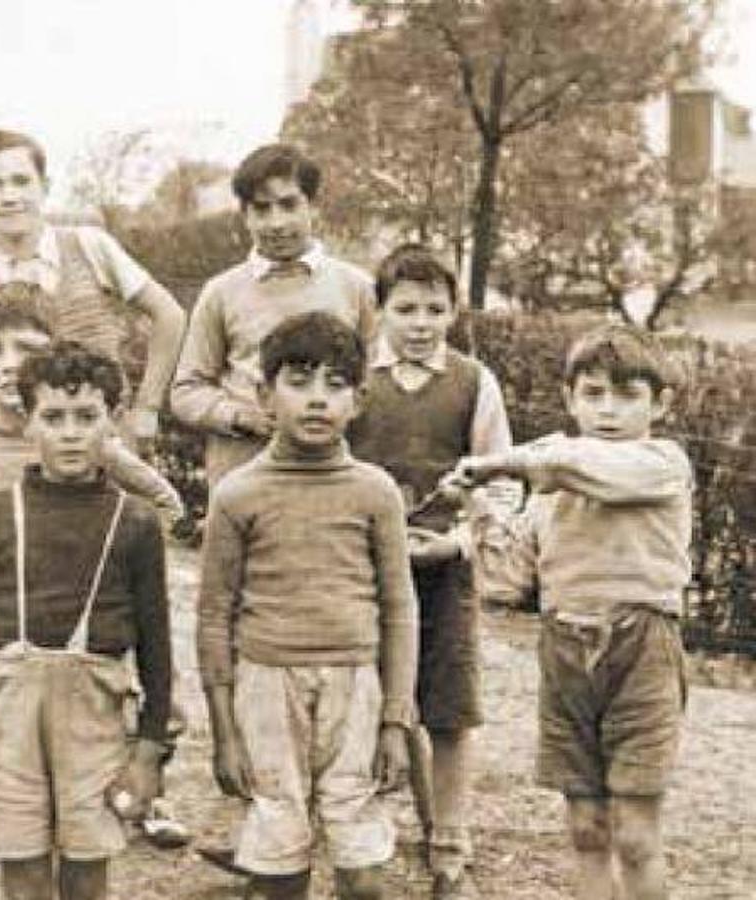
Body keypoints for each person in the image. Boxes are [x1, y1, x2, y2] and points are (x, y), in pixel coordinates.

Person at [0, 283, 182, 900]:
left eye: (87, 418)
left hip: (94, 708)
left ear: (111, 418)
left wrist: (151, 746)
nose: (72, 433)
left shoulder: (130, 520)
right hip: (5, 702)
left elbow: (158, 646)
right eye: (54, 418)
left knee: (86, 864)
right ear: (30, 420)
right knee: (12, 861)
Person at [448, 324, 692, 900]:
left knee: (635, 835)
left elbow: (593, 469)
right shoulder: (551, 482)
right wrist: (477, 504)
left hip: (643, 646)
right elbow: (509, 581)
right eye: (593, 394)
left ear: (660, 403)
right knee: (586, 830)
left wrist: (502, 461)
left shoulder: (662, 462)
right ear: (570, 398)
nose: (608, 411)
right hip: (564, 646)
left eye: (628, 395)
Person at [197, 312, 417, 899]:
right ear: (266, 395)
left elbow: (399, 608)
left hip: (356, 688)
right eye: (299, 381)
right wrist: (223, 731)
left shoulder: (376, 492)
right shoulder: (237, 494)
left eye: (335, 384)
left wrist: (396, 718)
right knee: (278, 864)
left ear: (359, 399)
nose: (317, 400)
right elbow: (214, 613)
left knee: (364, 871)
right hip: (266, 686)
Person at [346, 244, 512, 897]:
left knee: (446, 705)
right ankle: (368, 837)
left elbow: (502, 481)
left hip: (443, 567)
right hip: (362, 570)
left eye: (435, 309)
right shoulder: (355, 378)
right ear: (380, 309)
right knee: (370, 700)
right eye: (405, 308)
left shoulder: (475, 382)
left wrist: (462, 540)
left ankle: (448, 844)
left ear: (454, 311)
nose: (420, 323)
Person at [0, 129, 185, 449]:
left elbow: (170, 315)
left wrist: (147, 409)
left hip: (107, 444)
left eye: (21, 181)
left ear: (45, 187)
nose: (10, 196)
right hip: (22, 460)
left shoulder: (89, 245)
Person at [171, 143, 378, 488]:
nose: (276, 222)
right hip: (243, 472)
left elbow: (376, 381)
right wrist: (238, 416)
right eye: (262, 209)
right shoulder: (221, 292)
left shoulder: (357, 288)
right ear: (245, 215)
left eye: (289, 205)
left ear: (313, 206)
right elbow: (187, 390)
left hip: (331, 474)